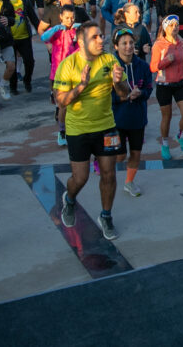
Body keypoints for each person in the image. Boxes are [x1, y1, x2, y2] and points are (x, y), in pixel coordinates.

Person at [54, 22, 131, 241]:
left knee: (109, 174)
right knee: (80, 178)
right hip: (78, 130)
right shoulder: (68, 65)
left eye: (101, 36)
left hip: (106, 127)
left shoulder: (109, 60)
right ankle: (69, 199)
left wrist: (118, 83)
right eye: (95, 37)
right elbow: (61, 102)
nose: (101, 40)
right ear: (81, 42)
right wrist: (81, 86)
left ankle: (106, 216)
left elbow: (124, 94)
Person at [110, 28, 153, 197]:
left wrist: (140, 93)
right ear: (116, 46)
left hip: (137, 117)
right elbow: (105, 94)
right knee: (119, 156)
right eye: (124, 43)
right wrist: (124, 97)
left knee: (136, 152)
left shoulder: (142, 66)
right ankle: (107, 175)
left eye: (131, 43)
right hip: (116, 119)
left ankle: (129, 182)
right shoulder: (110, 67)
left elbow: (149, 89)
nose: (128, 47)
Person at [150, 15, 183, 159]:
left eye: (176, 25)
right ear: (165, 28)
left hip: (180, 83)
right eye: (171, 26)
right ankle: (165, 144)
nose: (175, 28)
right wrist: (166, 61)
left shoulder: (182, 43)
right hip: (164, 85)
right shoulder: (159, 45)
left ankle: (182, 135)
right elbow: (153, 67)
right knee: (166, 117)